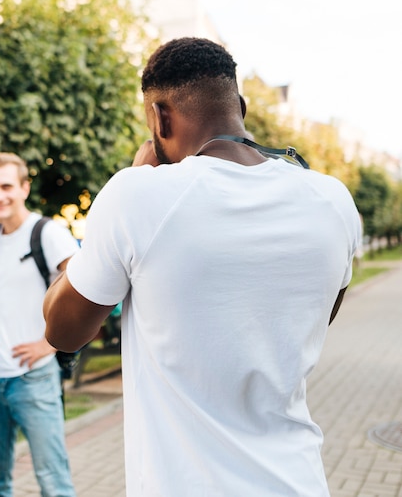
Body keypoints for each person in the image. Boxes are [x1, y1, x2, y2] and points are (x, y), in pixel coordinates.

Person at [43, 37, 362, 496]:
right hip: (299, 482)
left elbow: (61, 331)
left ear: (160, 117)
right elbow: (314, 317)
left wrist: (129, 189)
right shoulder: (333, 200)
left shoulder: (138, 195)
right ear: (242, 107)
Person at [0, 152, 77, 497]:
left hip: (34, 377)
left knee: (53, 481)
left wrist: (51, 344)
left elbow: (88, 291)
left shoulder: (47, 233)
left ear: (24, 188)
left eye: (6, 186)